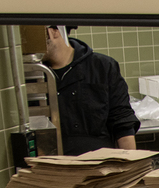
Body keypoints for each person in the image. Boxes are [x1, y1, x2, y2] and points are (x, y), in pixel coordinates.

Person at [43, 25, 140, 156]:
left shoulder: (102, 67)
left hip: (100, 162)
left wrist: (130, 162)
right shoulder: (33, 75)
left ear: (54, 31)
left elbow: (122, 122)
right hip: (50, 163)